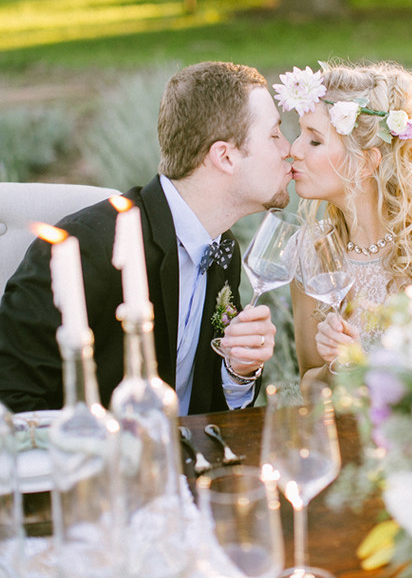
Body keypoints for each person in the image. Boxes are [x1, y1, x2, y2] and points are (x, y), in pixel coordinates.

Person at [0, 61, 292, 414]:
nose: (287, 149)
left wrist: (237, 371)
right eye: (275, 135)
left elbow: (201, 407)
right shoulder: (85, 249)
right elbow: (12, 394)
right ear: (225, 156)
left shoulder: (221, 247)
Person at [273, 60, 412, 390]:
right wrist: (337, 369)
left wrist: (366, 365)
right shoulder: (309, 252)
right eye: (299, 134)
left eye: (314, 141)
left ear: (365, 163)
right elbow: (308, 383)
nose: (293, 150)